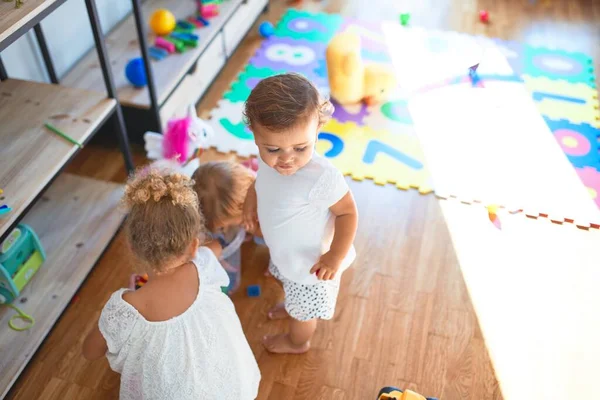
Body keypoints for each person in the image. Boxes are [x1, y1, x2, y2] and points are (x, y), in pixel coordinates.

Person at [82, 169, 260, 399]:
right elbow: (216, 247)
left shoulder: (123, 309)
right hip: (230, 386)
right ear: (194, 245)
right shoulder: (203, 264)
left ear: (132, 248)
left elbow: (89, 352)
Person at [242, 73, 359, 354]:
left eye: (300, 148)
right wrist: (250, 200)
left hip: (312, 268)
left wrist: (335, 256)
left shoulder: (322, 177)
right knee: (288, 283)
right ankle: (292, 303)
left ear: (317, 131)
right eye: (272, 149)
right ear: (256, 136)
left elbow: (348, 213)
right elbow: (260, 181)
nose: (285, 159)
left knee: (303, 314)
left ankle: (298, 342)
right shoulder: (267, 157)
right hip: (286, 255)